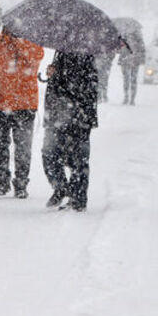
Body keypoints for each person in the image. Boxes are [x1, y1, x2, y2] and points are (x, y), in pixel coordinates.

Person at [0, 27, 45, 198]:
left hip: (25, 105)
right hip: (0, 104)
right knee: (0, 145)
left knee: (23, 147)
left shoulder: (32, 45)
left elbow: (36, 59)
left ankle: (21, 184)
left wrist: (19, 44)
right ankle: (2, 182)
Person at [41, 51, 100, 211]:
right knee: (50, 155)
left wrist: (58, 77)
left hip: (76, 118)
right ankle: (62, 189)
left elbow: (85, 89)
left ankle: (77, 198)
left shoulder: (84, 56)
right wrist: (53, 73)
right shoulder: (62, 53)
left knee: (77, 159)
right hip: (58, 117)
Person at [117, 30, 146, 105]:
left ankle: (128, 98)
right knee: (131, 80)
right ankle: (130, 98)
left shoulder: (124, 37)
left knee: (128, 80)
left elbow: (118, 49)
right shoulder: (137, 38)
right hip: (132, 60)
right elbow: (142, 49)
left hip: (128, 60)